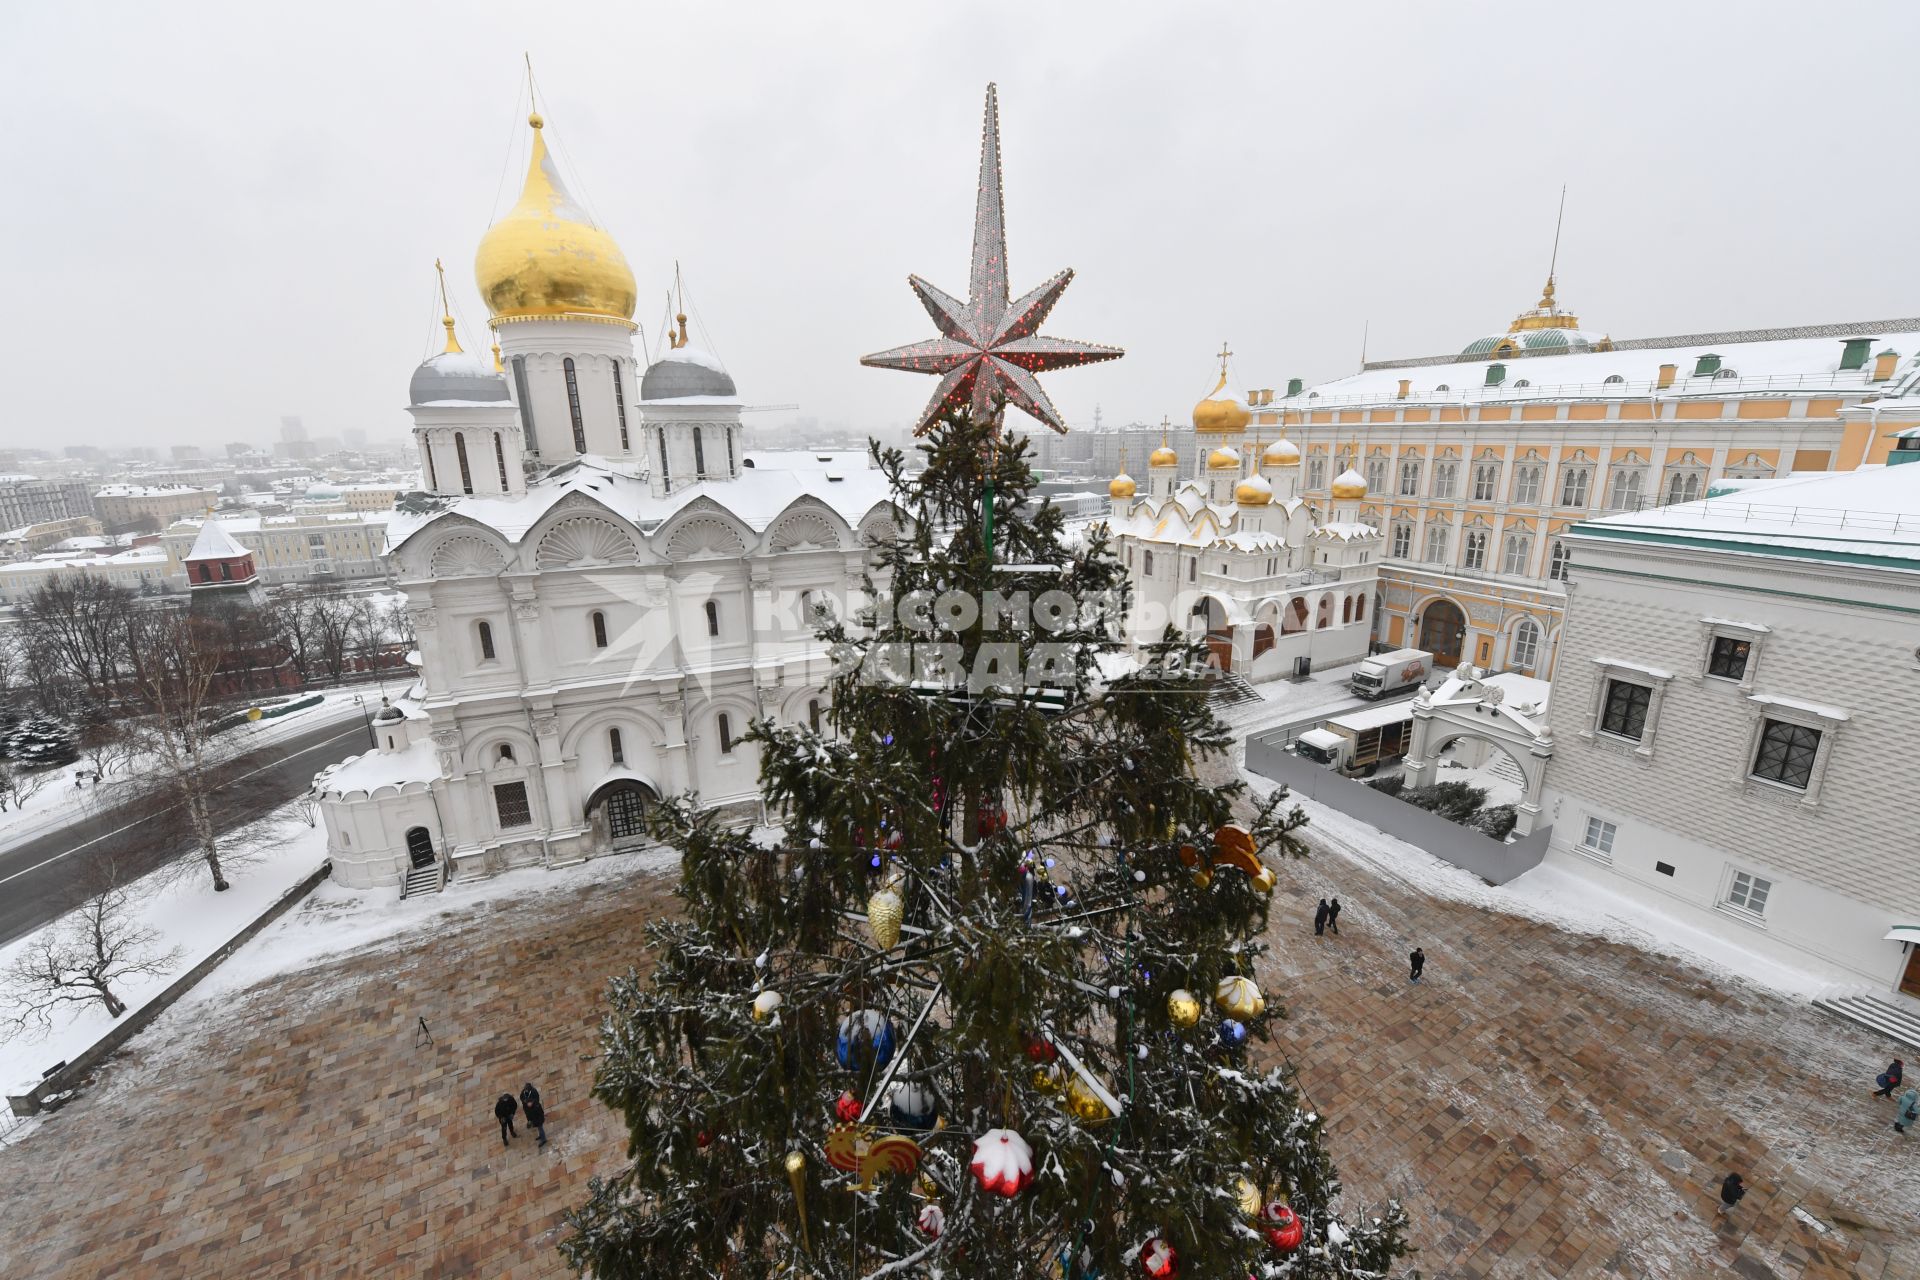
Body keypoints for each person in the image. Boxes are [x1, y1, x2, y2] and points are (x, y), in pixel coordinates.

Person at [521, 1082, 548, 1148]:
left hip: (538, 1119)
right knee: (538, 1128)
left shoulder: (536, 1105)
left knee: (540, 1128)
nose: (528, 1104)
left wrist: (538, 1120)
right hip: (534, 1118)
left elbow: (540, 1113)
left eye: (529, 1103)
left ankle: (543, 1139)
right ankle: (540, 1136)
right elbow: (521, 1098)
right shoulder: (524, 1093)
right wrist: (529, 1120)